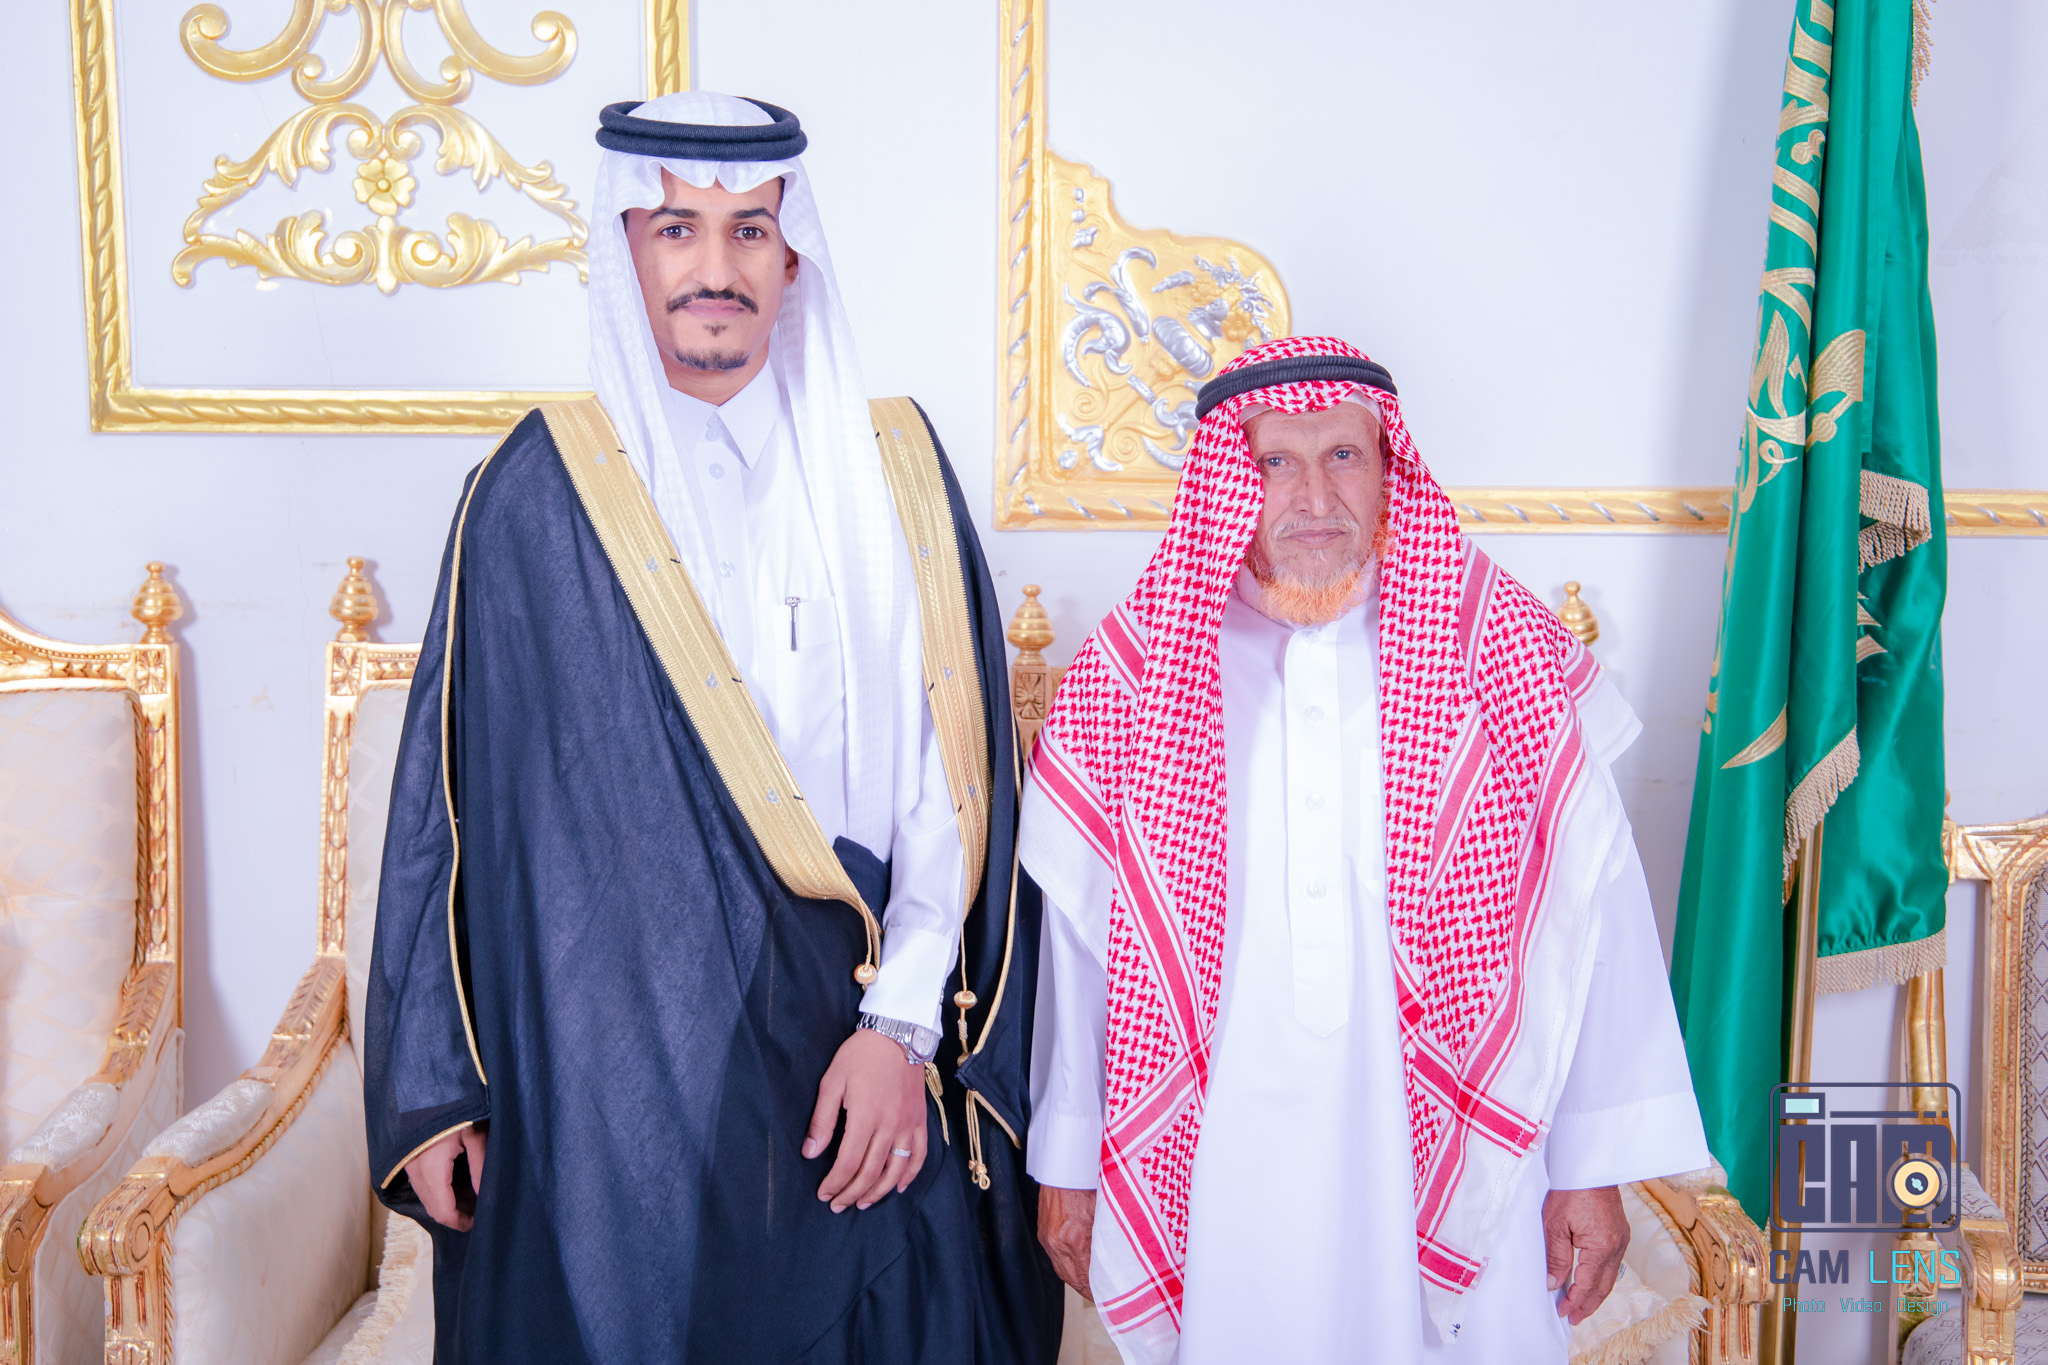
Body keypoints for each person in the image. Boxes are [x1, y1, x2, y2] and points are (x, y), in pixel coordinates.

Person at [363, 91, 1060, 1364]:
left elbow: (947, 788)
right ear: (623, 249)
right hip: (615, 1074)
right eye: (676, 229)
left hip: (855, 1048)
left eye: (749, 231)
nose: (714, 269)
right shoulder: (534, 493)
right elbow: (450, 816)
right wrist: (436, 1083)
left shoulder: (893, 473)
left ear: (794, 260)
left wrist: (901, 1032)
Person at [1022, 336, 1710, 1363]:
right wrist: (1071, 1159)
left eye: (1342, 456)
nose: (1313, 497)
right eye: (1275, 462)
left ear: (1389, 468)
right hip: (1224, 1157)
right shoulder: (1140, 674)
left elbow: (1589, 920)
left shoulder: (1496, 651)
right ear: (1228, 480)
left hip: (1460, 1138)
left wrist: (1590, 1165)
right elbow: (1086, 952)